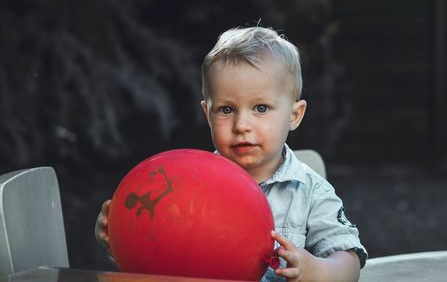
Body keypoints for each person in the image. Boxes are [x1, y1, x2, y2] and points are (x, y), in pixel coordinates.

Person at [96, 26, 367, 281]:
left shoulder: (310, 192)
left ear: (294, 115)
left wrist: (315, 270)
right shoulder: (188, 186)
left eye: (261, 108)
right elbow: (160, 255)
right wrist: (120, 238)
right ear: (208, 114)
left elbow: (348, 262)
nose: (241, 126)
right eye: (226, 110)